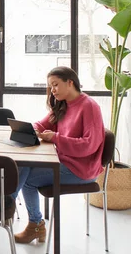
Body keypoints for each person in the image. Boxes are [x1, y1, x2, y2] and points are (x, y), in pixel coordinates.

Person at [13, 66, 105, 244]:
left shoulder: (89, 107)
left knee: (27, 177)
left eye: (55, 85)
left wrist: (55, 138)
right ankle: (17, 210)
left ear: (70, 83)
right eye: (50, 86)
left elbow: (89, 145)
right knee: (24, 164)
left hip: (81, 170)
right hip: (63, 162)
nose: (52, 90)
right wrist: (32, 129)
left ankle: (29, 220)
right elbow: (42, 123)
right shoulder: (63, 105)